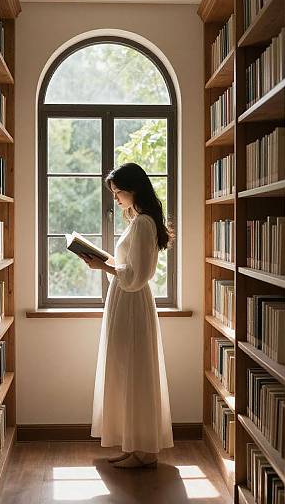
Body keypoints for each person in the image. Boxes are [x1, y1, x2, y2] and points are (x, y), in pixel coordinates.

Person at [78, 162, 174, 469]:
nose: (116, 199)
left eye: (118, 192)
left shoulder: (144, 223)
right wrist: (104, 262)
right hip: (125, 301)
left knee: (134, 371)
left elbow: (138, 275)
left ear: (133, 190)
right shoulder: (138, 221)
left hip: (132, 302)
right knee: (126, 370)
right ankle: (134, 445)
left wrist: (103, 266)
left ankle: (144, 450)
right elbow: (128, 269)